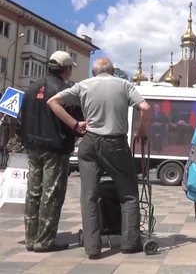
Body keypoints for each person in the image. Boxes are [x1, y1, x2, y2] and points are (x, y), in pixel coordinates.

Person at [47, 57, 151, 259]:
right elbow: (145, 108)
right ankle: (130, 243)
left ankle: (93, 248)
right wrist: (142, 132)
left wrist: (75, 124)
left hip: (90, 142)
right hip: (116, 143)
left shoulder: (83, 85)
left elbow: (53, 102)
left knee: (89, 196)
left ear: (94, 72)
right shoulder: (124, 85)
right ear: (112, 71)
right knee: (128, 194)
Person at [16, 51, 84, 253]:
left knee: (33, 193)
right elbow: (75, 122)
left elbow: (20, 122)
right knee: (51, 195)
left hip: (33, 147)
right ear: (67, 69)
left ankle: (30, 238)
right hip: (55, 148)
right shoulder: (65, 91)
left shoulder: (31, 89)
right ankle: (44, 241)